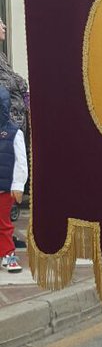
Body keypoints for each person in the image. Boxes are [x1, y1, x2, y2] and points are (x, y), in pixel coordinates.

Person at [0, 85, 28, 273]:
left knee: (3, 223)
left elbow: (21, 161)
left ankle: (8, 253)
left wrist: (18, 185)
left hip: (4, 188)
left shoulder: (13, 132)